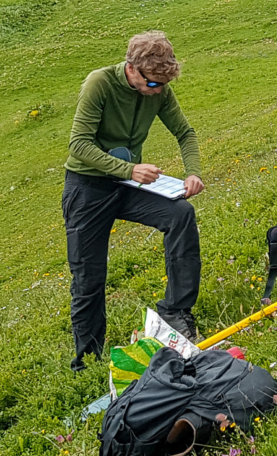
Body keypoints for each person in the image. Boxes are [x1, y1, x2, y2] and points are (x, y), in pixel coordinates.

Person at [63, 30, 204, 372]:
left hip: (128, 186)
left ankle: (175, 310)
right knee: (89, 275)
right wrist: (128, 169)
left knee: (181, 214)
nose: (156, 90)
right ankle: (88, 359)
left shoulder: (159, 89)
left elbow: (185, 133)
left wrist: (193, 173)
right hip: (87, 187)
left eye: (161, 85)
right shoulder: (99, 84)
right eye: (152, 83)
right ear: (132, 68)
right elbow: (78, 144)